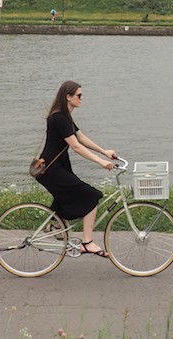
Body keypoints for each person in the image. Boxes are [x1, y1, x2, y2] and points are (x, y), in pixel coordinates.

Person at [34, 80, 117, 258]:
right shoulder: (58, 118)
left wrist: (104, 152)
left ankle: (55, 224)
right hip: (51, 171)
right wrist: (100, 162)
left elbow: (81, 137)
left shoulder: (65, 117)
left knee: (70, 197)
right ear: (68, 97)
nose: (82, 98)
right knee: (91, 196)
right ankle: (87, 243)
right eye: (79, 95)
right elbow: (76, 146)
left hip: (56, 169)